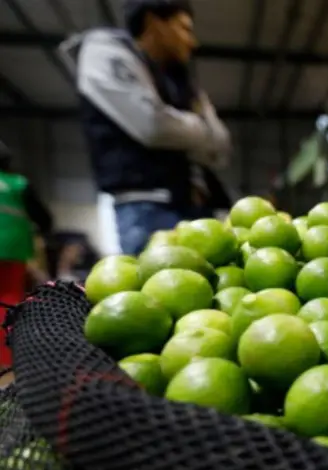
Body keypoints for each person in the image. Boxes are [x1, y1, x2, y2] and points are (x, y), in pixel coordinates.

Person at [64, 0, 232, 256]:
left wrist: (182, 127)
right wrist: (199, 129)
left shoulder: (181, 80)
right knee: (160, 288)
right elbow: (153, 126)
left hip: (194, 207)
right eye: (184, 29)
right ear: (155, 22)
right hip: (147, 210)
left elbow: (221, 146)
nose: (192, 42)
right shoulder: (105, 52)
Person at [0, 141, 53, 369]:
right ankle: (6, 362)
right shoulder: (18, 184)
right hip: (12, 249)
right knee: (8, 300)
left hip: (13, 250)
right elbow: (45, 220)